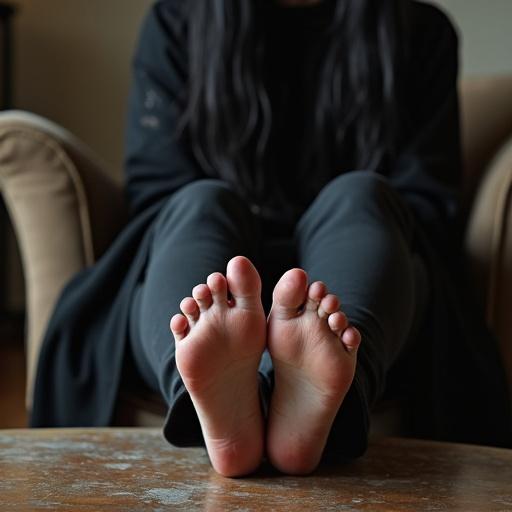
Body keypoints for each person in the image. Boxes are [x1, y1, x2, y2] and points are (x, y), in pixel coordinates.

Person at [31, 0, 512, 477]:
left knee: (361, 196)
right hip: (208, 260)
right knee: (197, 202)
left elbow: (425, 204)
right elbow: (157, 189)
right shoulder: (178, 20)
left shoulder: (420, 30)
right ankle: (216, 395)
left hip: (363, 264)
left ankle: (326, 388)